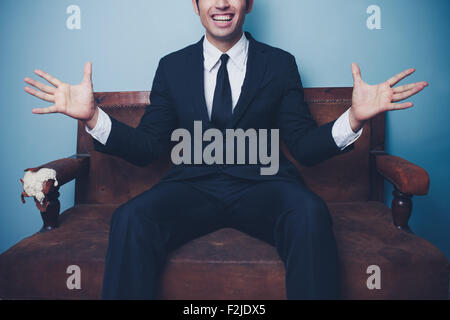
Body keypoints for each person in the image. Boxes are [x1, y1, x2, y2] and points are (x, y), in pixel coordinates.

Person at [24, 0, 428, 300]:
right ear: (196, 6)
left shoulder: (280, 64)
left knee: (309, 212)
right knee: (130, 218)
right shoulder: (172, 67)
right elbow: (148, 147)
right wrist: (93, 116)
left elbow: (304, 146)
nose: (221, 3)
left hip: (264, 185)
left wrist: (355, 119)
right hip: (191, 186)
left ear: (248, 4)